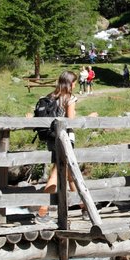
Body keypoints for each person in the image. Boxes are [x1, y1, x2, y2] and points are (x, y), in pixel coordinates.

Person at [36, 70, 77, 222]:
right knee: (55, 174)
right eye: (74, 83)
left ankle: (84, 207)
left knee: (70, 174)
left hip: (51, 139)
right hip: (65, 140)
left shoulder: (50, 97)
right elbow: (71, 121)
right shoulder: (69, 98)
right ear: (70, 83)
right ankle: (42, 211)